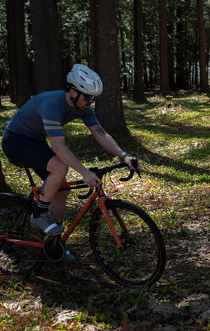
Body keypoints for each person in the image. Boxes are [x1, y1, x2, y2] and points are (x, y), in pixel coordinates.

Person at [2, 64, 136, 242]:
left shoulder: (83, 107)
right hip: (15, 141)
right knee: (59, 167)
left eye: (93, 98)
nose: (91, 102)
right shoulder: (51, 105)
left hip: (36, 141)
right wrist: (85, 172)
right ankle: (39, 215)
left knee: (61, 189)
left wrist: (123, 155)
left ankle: (53, 242)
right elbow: (58, 147)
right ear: (72, 92)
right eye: (88, 97)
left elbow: (100, 133)